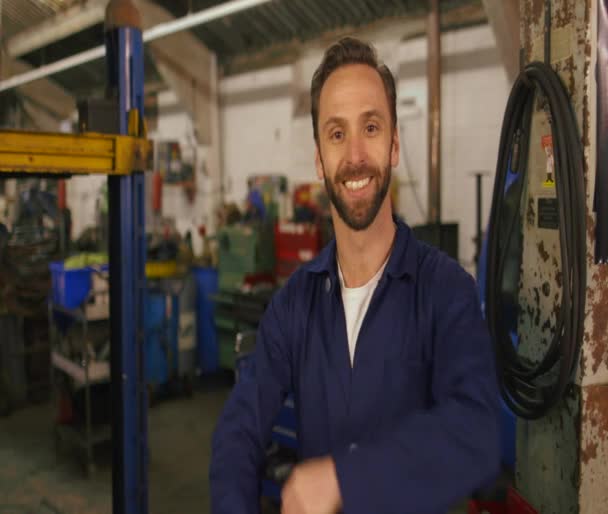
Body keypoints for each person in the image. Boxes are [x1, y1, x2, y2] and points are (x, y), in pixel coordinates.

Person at [210, 37, 500, 514]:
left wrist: (344, 478)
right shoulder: (294, 303)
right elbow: (238, 432)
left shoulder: (445, 291)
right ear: (320, 160)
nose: (356, 154)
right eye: (337, 133)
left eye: (371, 126)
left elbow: (477, 431)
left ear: (393, 146)